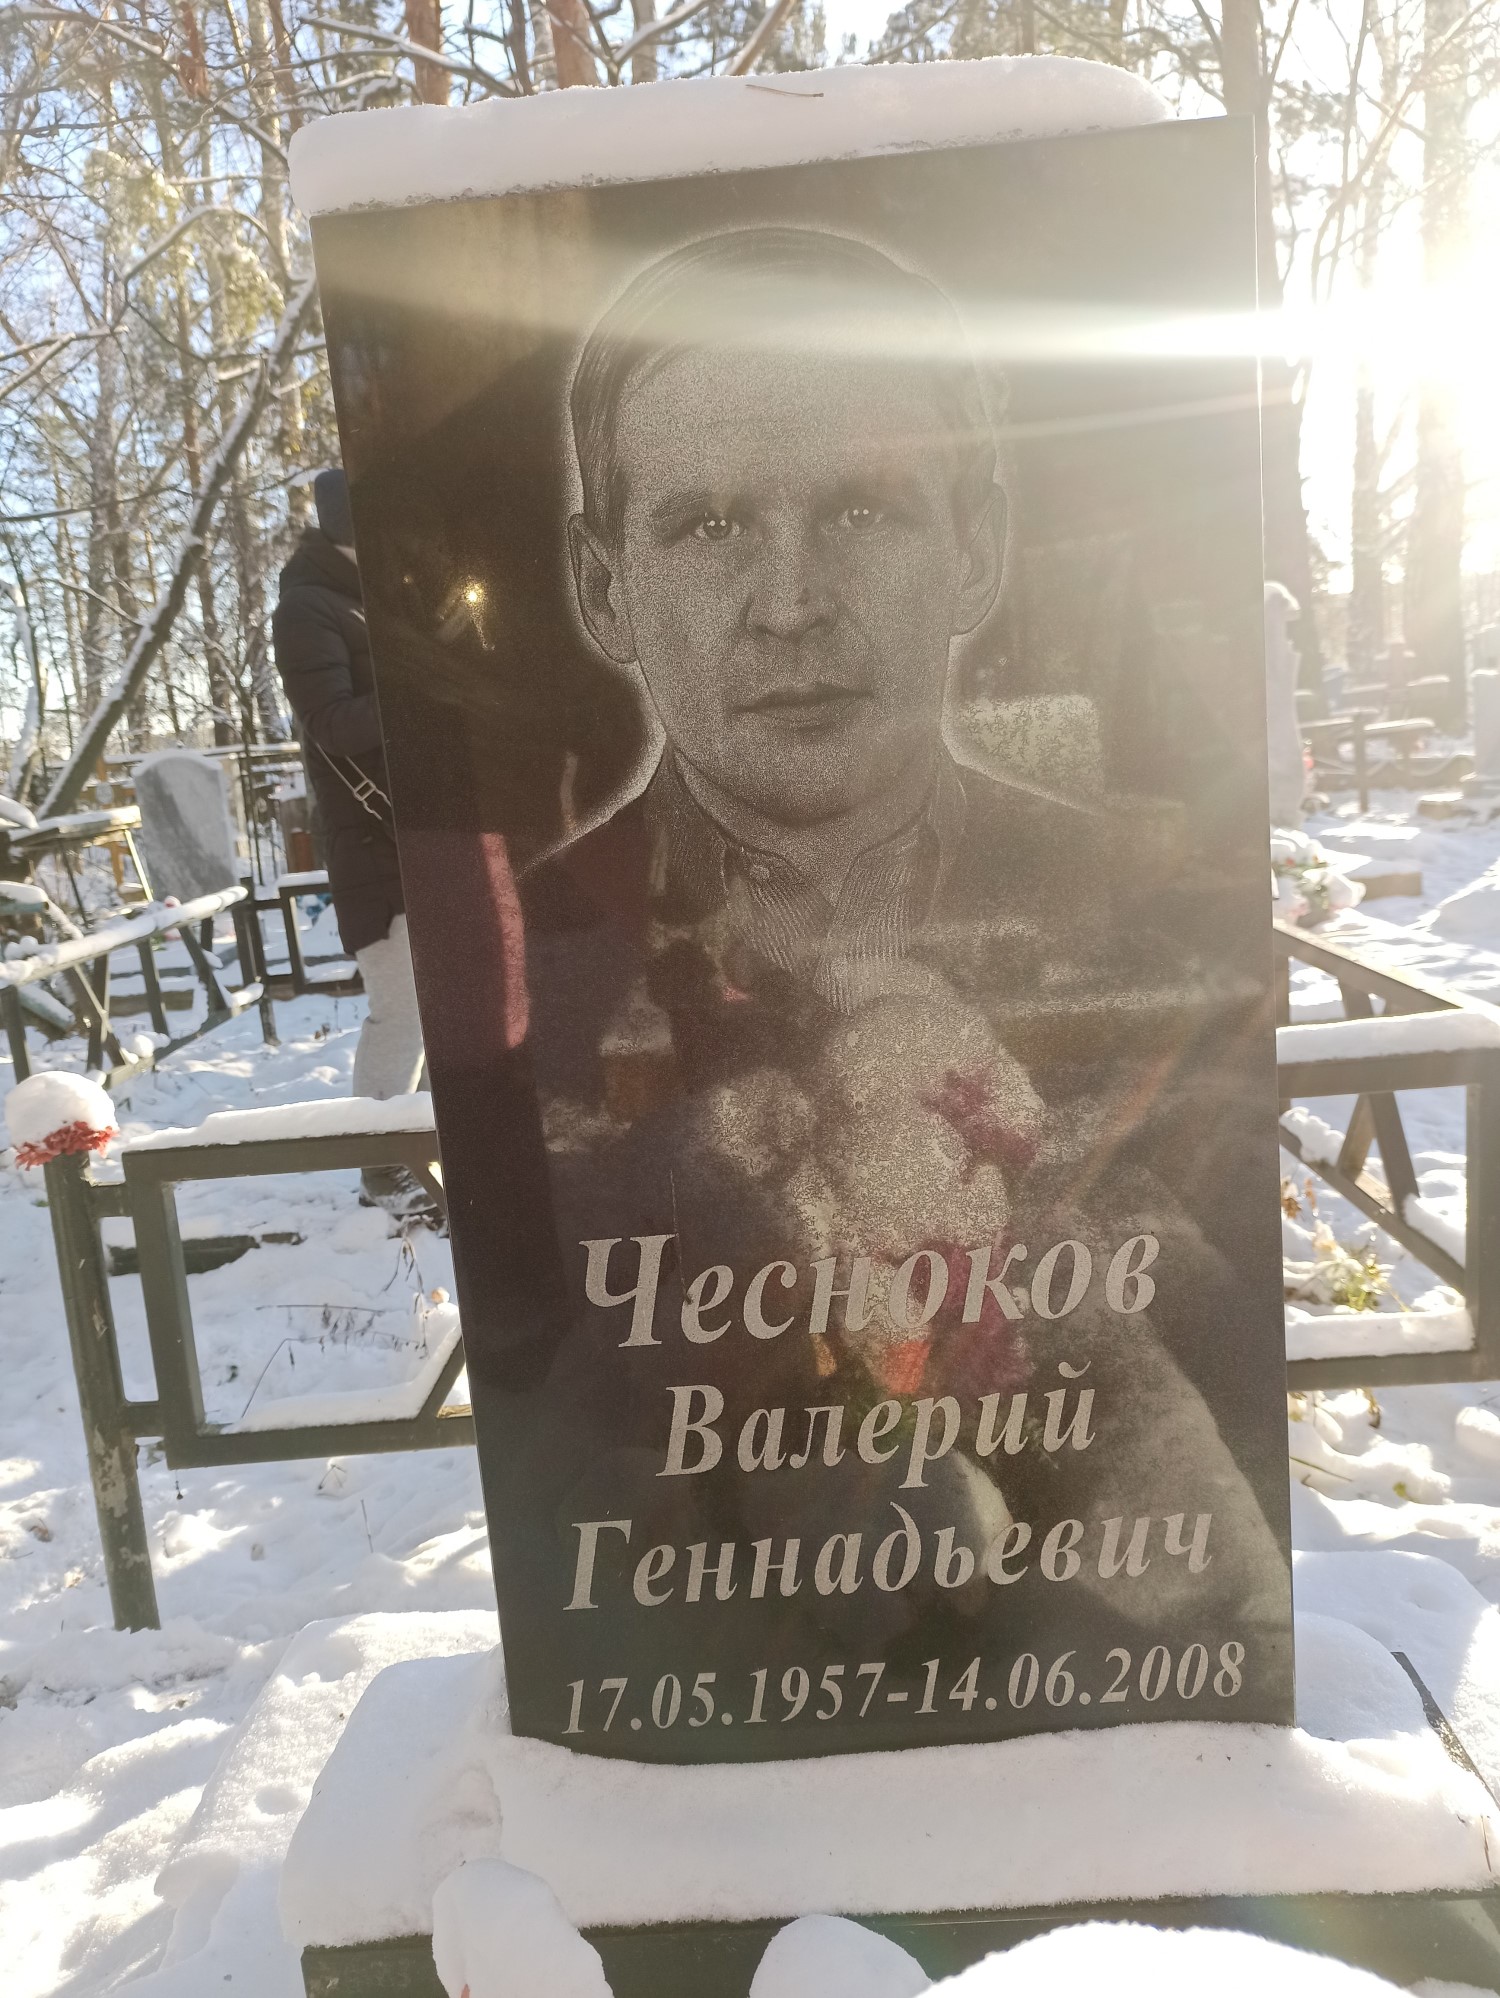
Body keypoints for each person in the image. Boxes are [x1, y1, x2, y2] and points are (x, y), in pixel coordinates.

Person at [494, 228, 1290, 1712]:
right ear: (605, 590)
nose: (789, 599)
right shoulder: (539, 967)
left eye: (860, 507)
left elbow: (1215, 1370)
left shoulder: (1143, 915)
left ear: (975, 545)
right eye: (707, 525)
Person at [272, 468, 434, 1219]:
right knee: (402, 1012)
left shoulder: (377, 598)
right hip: (372, 840)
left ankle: (426, 1147)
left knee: (442, 1009)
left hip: (420, 835)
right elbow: (333, 725)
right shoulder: (306, 608)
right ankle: (381, 1167)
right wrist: (419, 689)